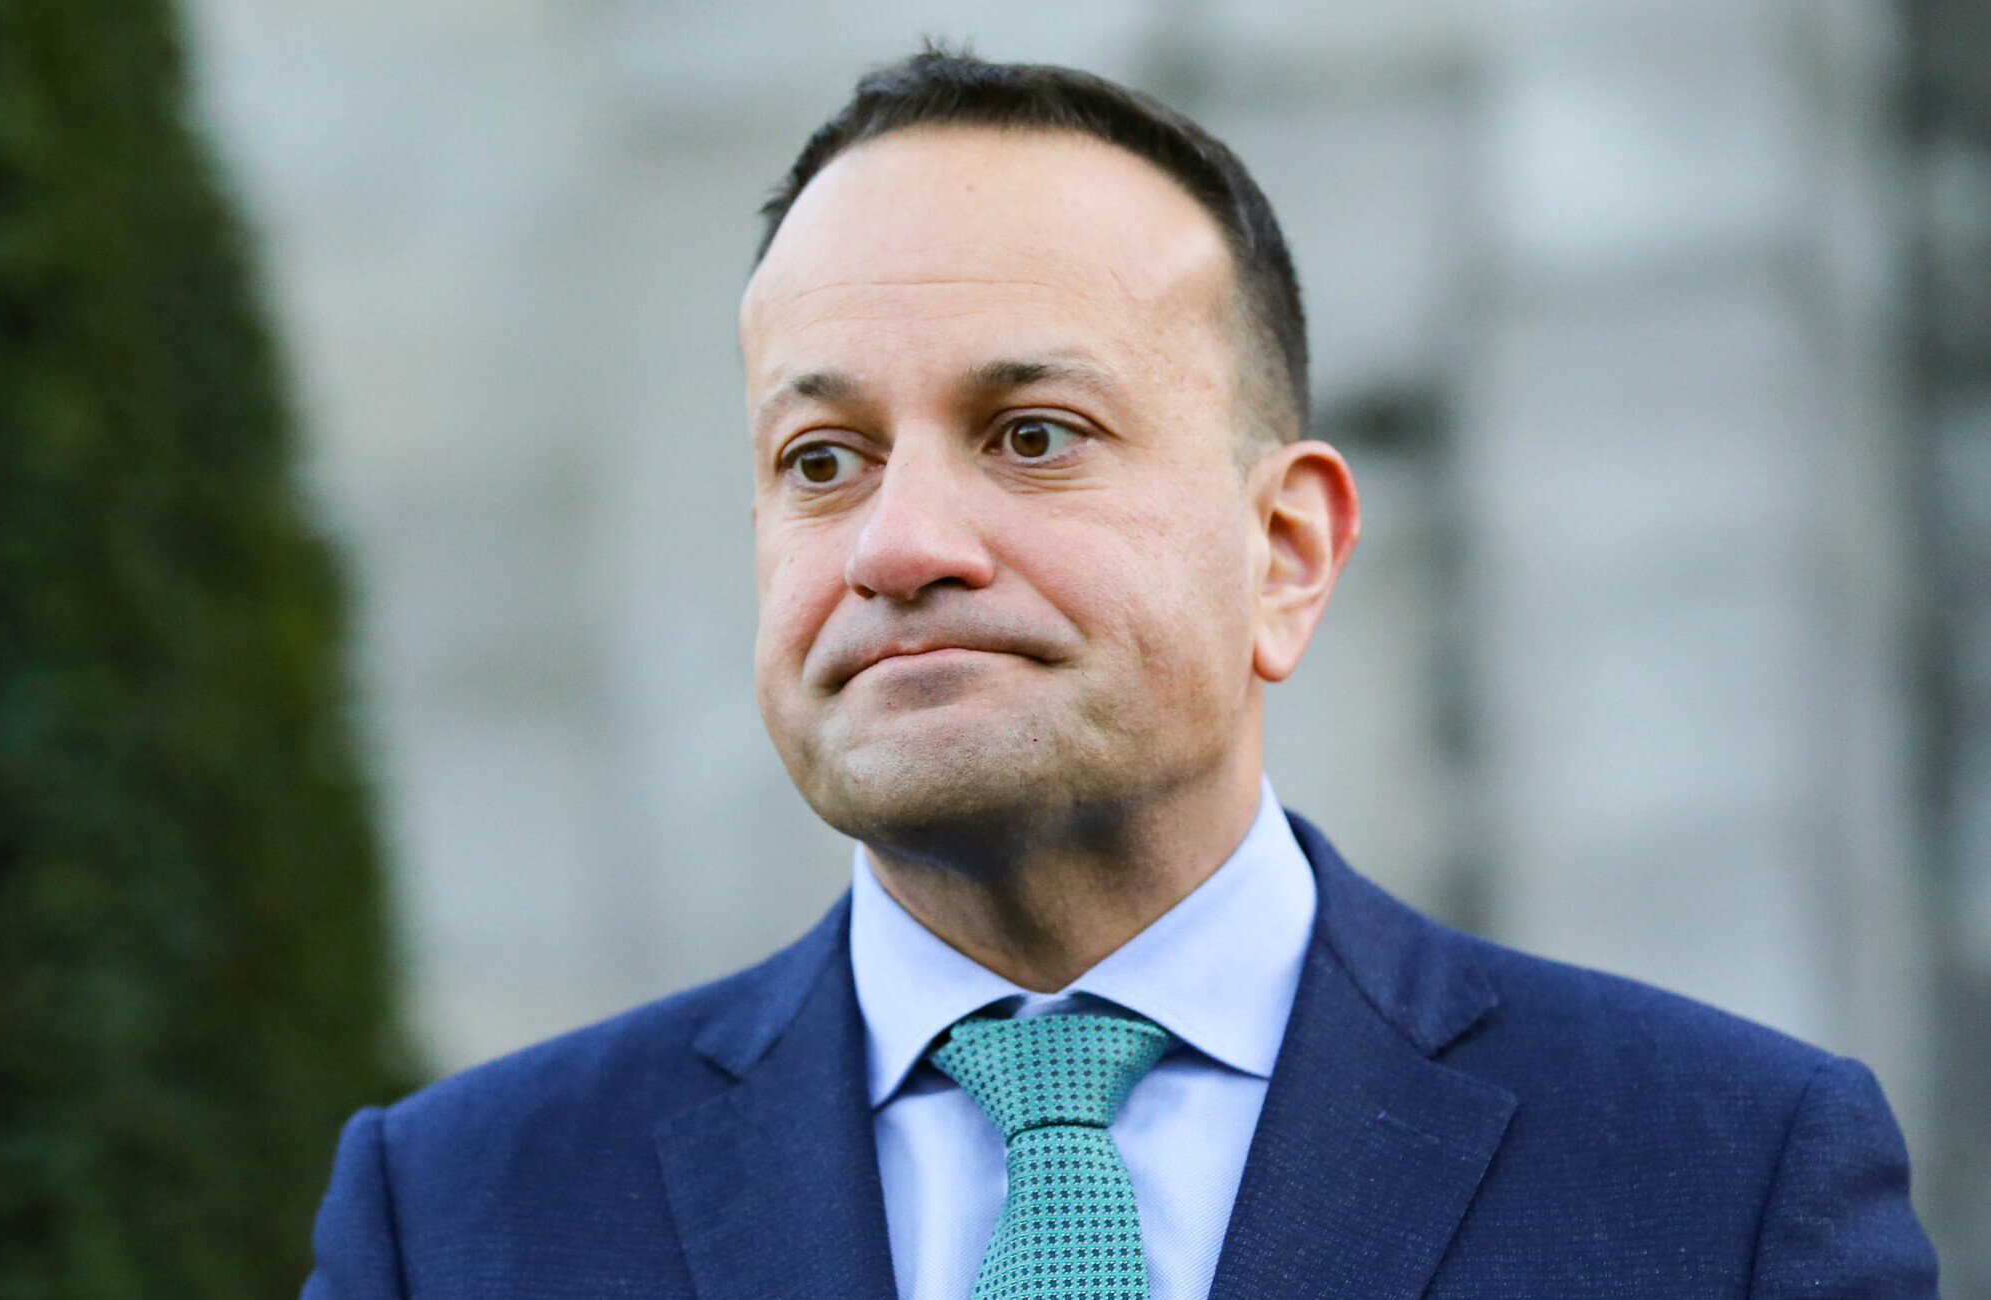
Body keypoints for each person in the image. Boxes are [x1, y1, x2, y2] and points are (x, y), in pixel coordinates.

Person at [303, 50, 1939, 1299]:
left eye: (1032, 435)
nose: (898, 544)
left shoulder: (1725, 1182)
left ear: (1285, 550)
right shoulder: (457, 1219)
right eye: (823, 460)